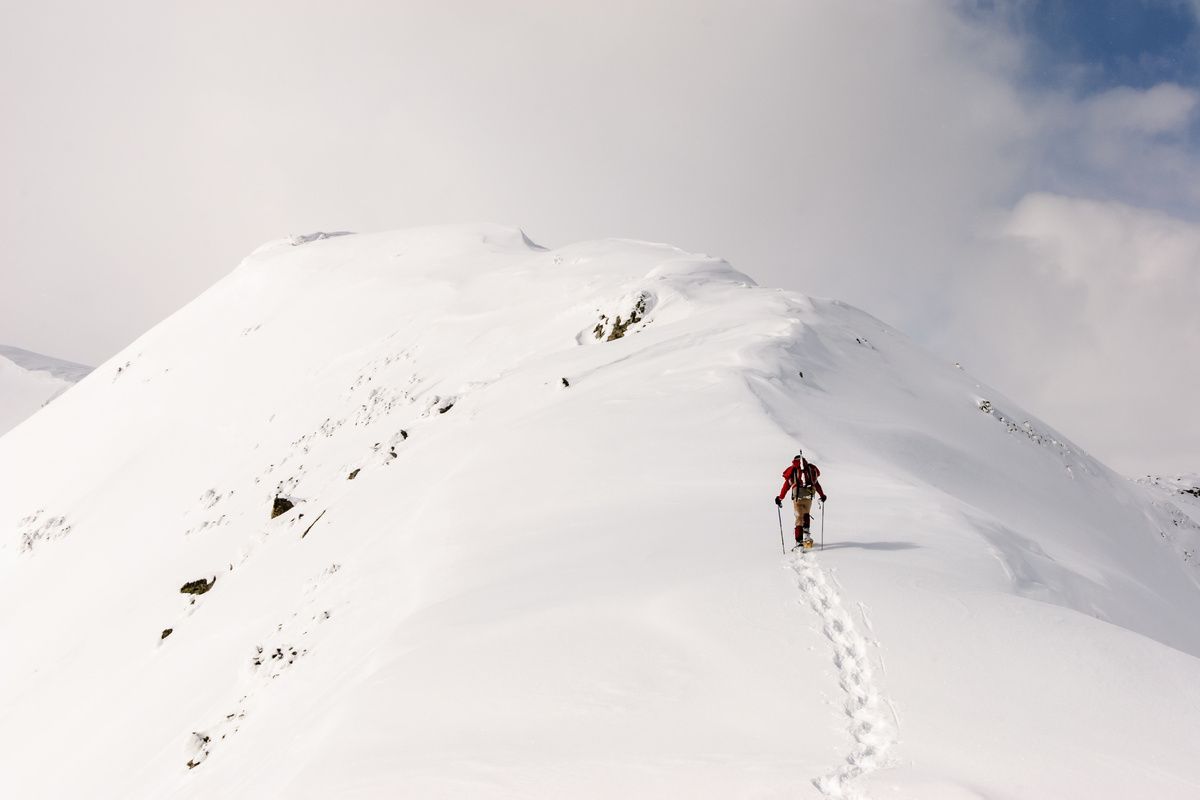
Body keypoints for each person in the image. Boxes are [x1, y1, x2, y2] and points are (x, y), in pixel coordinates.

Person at [774, 450, 827, 548]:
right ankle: (807, 537)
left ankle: (799, 542)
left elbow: (786, 486)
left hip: (797, 497)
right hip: (809, 496)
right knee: (806, 514)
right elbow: (816, 484)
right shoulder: (810, 470)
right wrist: (822, 495)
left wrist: (780, 498)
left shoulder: (793, 470)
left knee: (799, 518)